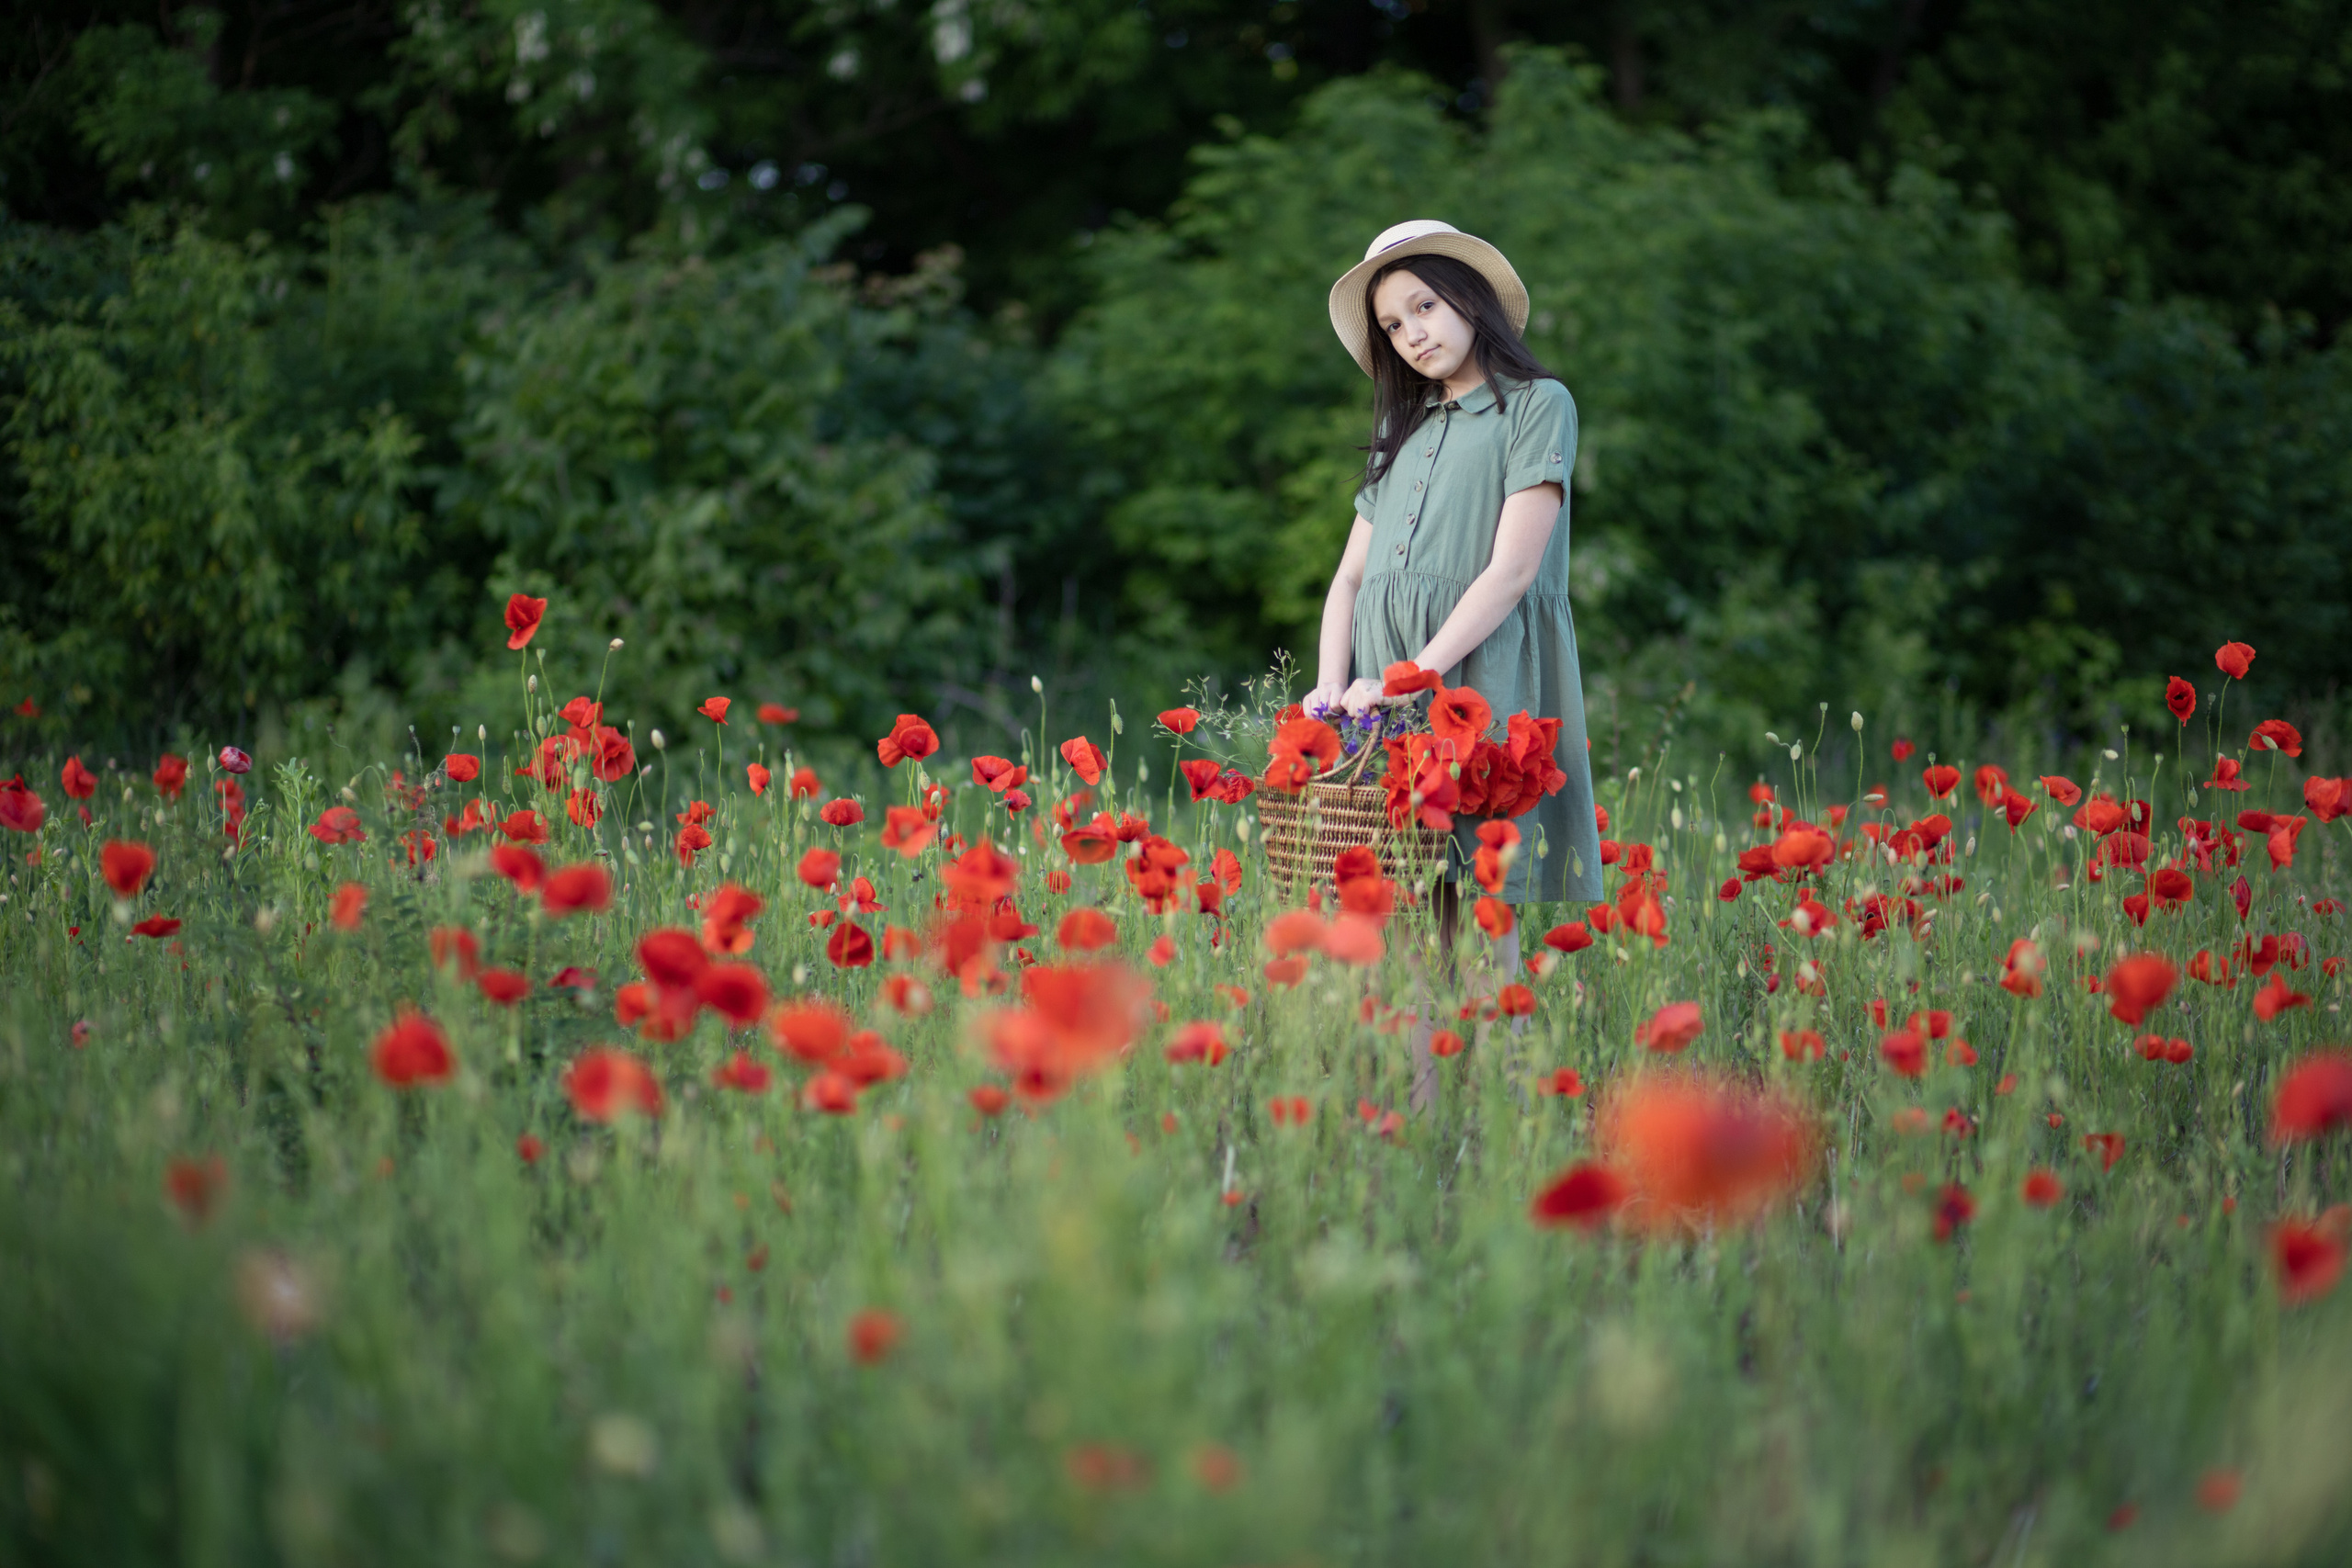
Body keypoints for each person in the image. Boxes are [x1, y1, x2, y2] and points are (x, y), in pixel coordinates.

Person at [1304, 220, 1603, 990]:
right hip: (1383, 692)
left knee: (1477, 899)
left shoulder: (1537, 405)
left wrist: (1414, 676)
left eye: (1426, 305)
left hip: (1471, 675)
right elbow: (1346, 581)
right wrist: (1332, 689)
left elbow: (1510, 572)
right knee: (1406, 902)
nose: (1412, 333)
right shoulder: (1403, 432)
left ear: (1471, 299)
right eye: (1393, 325)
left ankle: (1492, 1099)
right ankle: (1422, 1099)